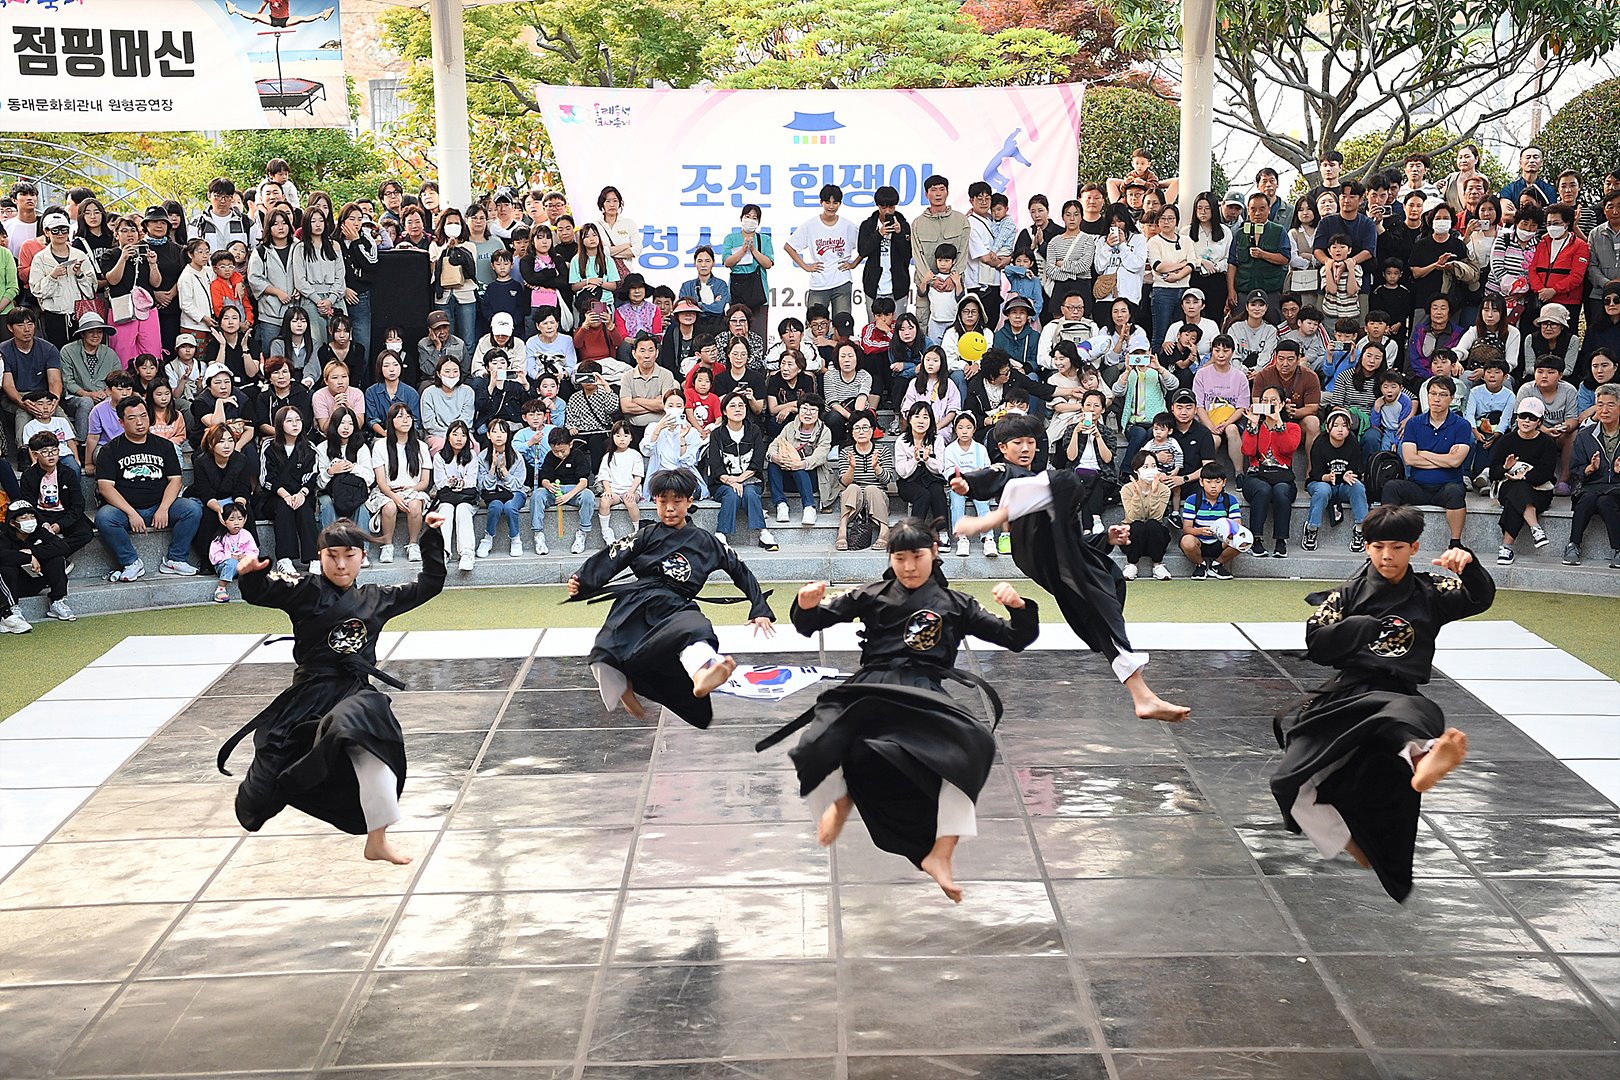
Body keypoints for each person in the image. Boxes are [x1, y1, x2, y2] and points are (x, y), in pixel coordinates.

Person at [762, 524, 1036, 902]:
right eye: (900, 558)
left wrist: (1019, 609)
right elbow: (813, 623)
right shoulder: (872, 595)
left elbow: (1015, 638)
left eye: (917, 557)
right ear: (890, 559)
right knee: (819, 741)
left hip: (924, 693)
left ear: (935, 552)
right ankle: (841, 798)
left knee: (974, 746)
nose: (909, 567)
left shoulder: (957, 604)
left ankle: (941, 853)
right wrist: (805, 606)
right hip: (872, 687)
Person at [1271, 504, 1494, 902]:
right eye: (1378, 547)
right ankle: (1356, 846)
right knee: (1289, 782)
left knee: (1405, 717)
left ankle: (1426, 759)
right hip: (1347, 695)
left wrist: (1469, 566)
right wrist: (1358, 626)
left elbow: (1477, 598)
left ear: (1414, 547)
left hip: (1400, 692)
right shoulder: (1347, 595)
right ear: (1367, 549)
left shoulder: (1429, 592)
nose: (1387, 556)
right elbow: (1317, 642)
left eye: (1396, 547)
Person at [218, 513, 446, 867]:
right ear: (320, 556)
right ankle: (296, 781)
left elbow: (430, 583)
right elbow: (263, 592)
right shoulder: (304, 591)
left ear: (362, 558)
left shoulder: (377, 599)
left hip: (354, 692)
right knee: (253, 809)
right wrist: (251, 573)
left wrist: (431, 537)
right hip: (308, 694)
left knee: (368, 736)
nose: (341, 564)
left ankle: (378, 839)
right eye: (332, 556)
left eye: (349, 555)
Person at [951, 413, 1187, 720]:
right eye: (1017, 443)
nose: (1025, 448)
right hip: (1030, 539)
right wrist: (966, 485)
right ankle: (989, 521)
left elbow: (1071, 541)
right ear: (1003, 448)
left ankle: (1142, 696)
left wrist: (1108, 539)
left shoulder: (1046, 490)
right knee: (1067, 478)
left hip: (1052, 553)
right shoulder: (1011, 473)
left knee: (1109, 587)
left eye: (1031, 443)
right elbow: (991, 476)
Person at [567, 467, 775, 725]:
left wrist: (759, 607)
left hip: (677, 605)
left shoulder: (708, 542)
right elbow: (614, 556)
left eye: (677, 501)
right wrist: (583, 580)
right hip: (637, 604)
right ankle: (624, 685)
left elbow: (740, 570)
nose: (669, 509)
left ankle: (702, 675)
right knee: (606, 652)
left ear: (689, 501)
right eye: (662, 501)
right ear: (655, 502)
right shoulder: (646, 535)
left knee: (695, 629)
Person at [94, 395, 202, 581]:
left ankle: (175, 559)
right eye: (132, 418)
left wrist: (164, 508)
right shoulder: (110, 450)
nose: (140, 422)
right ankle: (131, 562)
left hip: (159, 505)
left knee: (192, 508)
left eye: (143, 416)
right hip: (125, 509)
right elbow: (105, 487)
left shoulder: (164, 446)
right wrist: (131, 513)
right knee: (104, 517)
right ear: (121, 422)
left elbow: (175, 480)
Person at [1383, 376, 1474, 548]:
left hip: (1447, 485)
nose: (1436, 399)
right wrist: (1444, 458)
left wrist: (1424, 453)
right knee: (1392, 487)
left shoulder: (1461, 425)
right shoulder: (1414, 423)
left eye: (1442, 394)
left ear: (1451, 398)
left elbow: (1455, 462)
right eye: (1432, 394)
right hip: (1418, 485)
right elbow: (1410, 458)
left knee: (1456, 491)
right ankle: (1388, 537)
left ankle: (1455, 542)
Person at [1488, 395, 1558, 564]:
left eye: (1532, 418)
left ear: (1539, 422)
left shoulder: (1547, 443)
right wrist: (1506, 468)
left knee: (1518, 494)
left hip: (1539, 489)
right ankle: (1535, 528)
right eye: (1523, 416)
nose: (1526, 421)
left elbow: (1547, 472)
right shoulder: (1506, 441)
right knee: (1517, 489)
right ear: (1517, 418)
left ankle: (1506, 548)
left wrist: (1524, 476)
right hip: (1508, 486)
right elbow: (1493, 473)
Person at [1237, 385, 1302, 558]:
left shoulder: (1292, 427)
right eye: (1264, 401)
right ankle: (1255, 539)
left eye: (1273, 400)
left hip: (1282, 476)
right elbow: (1248, 452)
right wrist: (1252, 425)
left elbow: (1288, 449)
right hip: (1256, 475)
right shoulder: (1256, 426)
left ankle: (1281, 541)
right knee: (1263, 489)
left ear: (1281, 404)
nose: (1268, 404)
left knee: (1281, 491)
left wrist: (1278, 423)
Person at [369, 403, 433, 564]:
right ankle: (387, 545)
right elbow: (381, 481)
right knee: (389, 507)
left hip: (412, 489)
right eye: (400, 416)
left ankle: (413, 544)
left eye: (408, 416)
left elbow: (424, 481)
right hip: (387, 490)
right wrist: (394, 497)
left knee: (415, 505)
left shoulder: (422, 447)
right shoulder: (380, 446)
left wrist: (411, 488)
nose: (405, 420)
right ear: (391, 421)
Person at [785, 184, 860, 320]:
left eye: (835, 203)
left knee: (842, 324)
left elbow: (865, 246)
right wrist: (806, 266)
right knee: (814, 323)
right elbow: (789, 246)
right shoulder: (810, 225)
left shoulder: (848, 225)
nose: (831, 206)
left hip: (842, 281)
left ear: (840, 204)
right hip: (819, 283)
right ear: (821, 202)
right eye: (827, 202)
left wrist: (853, 264)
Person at [1565, 383, 1620, 567]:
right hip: (1592, 485)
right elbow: (1575, 469)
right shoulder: (1586, 435)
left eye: (1610, 405)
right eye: (1600, 404)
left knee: (1606, 501)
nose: (1604, 410)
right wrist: (1588, 469)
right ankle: (1573, 545)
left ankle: (1618, 549)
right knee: (1587, 500)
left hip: (1617, 488)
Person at [1304, 407, 1369, 552]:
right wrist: (1326, 477)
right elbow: (1315, 473)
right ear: (1327, 428)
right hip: (1320, 482)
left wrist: (1349, 474)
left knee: (1357, 486)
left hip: (1342, 486)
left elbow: (1357, 468)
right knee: (1323, 489)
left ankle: (1360, 529)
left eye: (1344, 426)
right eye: (1336, 425)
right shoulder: (1319, 444)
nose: (1340, 429)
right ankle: (1312, 529)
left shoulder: (1352, 443)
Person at [0, 500, 74, 624]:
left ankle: (57, 601)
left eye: (32, 516)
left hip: (36, 580)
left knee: (56, 558)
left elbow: (63, 546)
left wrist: (32, 551)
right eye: (24, 518)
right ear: (13, 522)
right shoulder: (4, 536)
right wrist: (27, 557)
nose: (30, 520)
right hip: (12, 586)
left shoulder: (39, 532)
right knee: (6, 566)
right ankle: (11, 609)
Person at [767, 396, 829, 526]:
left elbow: (821, 455)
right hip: (788, 479)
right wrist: (775, 457)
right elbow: (774, 445)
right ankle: (781, 505)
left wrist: (800, 464)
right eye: (804, 408)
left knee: (799, 468)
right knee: (773, 464)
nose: (808, 413)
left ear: (819, 413)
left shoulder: (824, 431)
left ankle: (809, 508)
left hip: (811, 479)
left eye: (813, 410)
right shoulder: (790, 427)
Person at [535, 426, 596, 555]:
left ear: (570, 444)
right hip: (555, 490)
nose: (559, 454)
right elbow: (544, 479)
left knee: (588, 496)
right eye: (556, 451)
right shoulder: (550, 456)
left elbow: (584, 482)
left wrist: (568, 496)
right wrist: (548, 485)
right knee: (537, 494)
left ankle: (582, 532)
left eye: (562, 450)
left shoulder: (578, 455)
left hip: (574, 489)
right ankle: (538, 534)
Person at [1179, 459, 1244, 579]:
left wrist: (1228, 534)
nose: (1213, 486)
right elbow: (1187, 528)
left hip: (1221, 541)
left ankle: (1217, 565)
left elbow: (1237, 526)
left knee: (1242, 540)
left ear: (1224, 482)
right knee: (1186, 541)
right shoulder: (1192, 500)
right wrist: (1199, 531)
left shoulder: (1230, 500)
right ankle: (1200, 565)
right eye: (1208, 482)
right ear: (1201, 482)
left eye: (1218, 482)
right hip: (1199, 541)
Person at [1119, 450, 1175, 580]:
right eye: (1145, 467)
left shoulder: (1164, 490)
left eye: (1154, 466)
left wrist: (1154, 492)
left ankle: (1158, 565)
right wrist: (1137, 495)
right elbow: (1132, 517)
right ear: (1136, 470)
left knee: (1153, 525)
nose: (1151, 470)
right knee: (1137, 525)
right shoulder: (1127, 489)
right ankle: (1132, 564)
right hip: (1132, 538)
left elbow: (1157, 517)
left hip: (1154, 538)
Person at [209, 503, 260, 604]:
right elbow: (214, 556)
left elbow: (254, 551)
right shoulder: (220, 537)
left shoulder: (246, 534)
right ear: (224, 521)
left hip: (242, 565)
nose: (236, 523)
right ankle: (221, 588)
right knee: (231, 563)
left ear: (245, 519)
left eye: (240, 519)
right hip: (225, 565)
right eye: (232, 520)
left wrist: (245, 556)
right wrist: (229, 557)